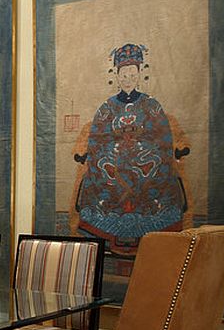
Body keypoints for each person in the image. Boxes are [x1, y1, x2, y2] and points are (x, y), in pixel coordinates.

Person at [72, 42, 189, 259]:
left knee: (161, 172)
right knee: (98, 173)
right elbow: (97, 139)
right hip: (113, 161)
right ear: (116, 75)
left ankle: (150, 234)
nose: (127, 77)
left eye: (131, 72)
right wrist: (109, 154)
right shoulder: (107, 107)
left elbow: (162, 137)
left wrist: (142, 149)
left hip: (145, 161)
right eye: (123, 73)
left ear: (139, 73)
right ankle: (108, 233)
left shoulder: (151, 105)